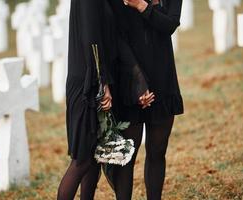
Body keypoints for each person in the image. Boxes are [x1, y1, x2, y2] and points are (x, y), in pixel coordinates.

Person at [57, 0, 154, 199]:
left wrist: (138, 78)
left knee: (93, 161)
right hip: (87, 83)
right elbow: (91, 40)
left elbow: (114, 38)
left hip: (94, 79)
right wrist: (102, 84)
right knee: (81, 161)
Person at [108, 0, 184, 199]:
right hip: (129, 78)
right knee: (126, 156)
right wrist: (137, 80)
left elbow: (170, 25)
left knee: (157, 153)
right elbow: (116, 35)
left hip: (162, 80)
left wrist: (143, 6)